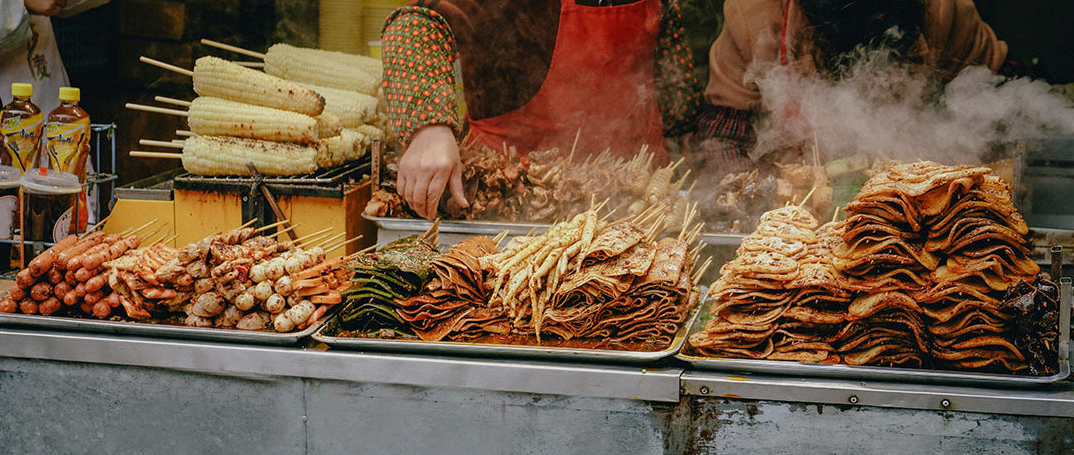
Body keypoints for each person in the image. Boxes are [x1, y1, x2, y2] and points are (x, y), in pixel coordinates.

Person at [380, 0, 704, 219]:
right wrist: (429, 128)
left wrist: (689, 133)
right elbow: (417, 22)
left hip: (635, 203)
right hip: (510, 206)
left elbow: (676, 89)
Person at [697, 0, 1014, 171]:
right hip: (795, 217)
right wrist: (751, 196)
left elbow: (1002, 92)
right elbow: (722, 135)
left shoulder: (944, 9)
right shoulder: (752, 15)